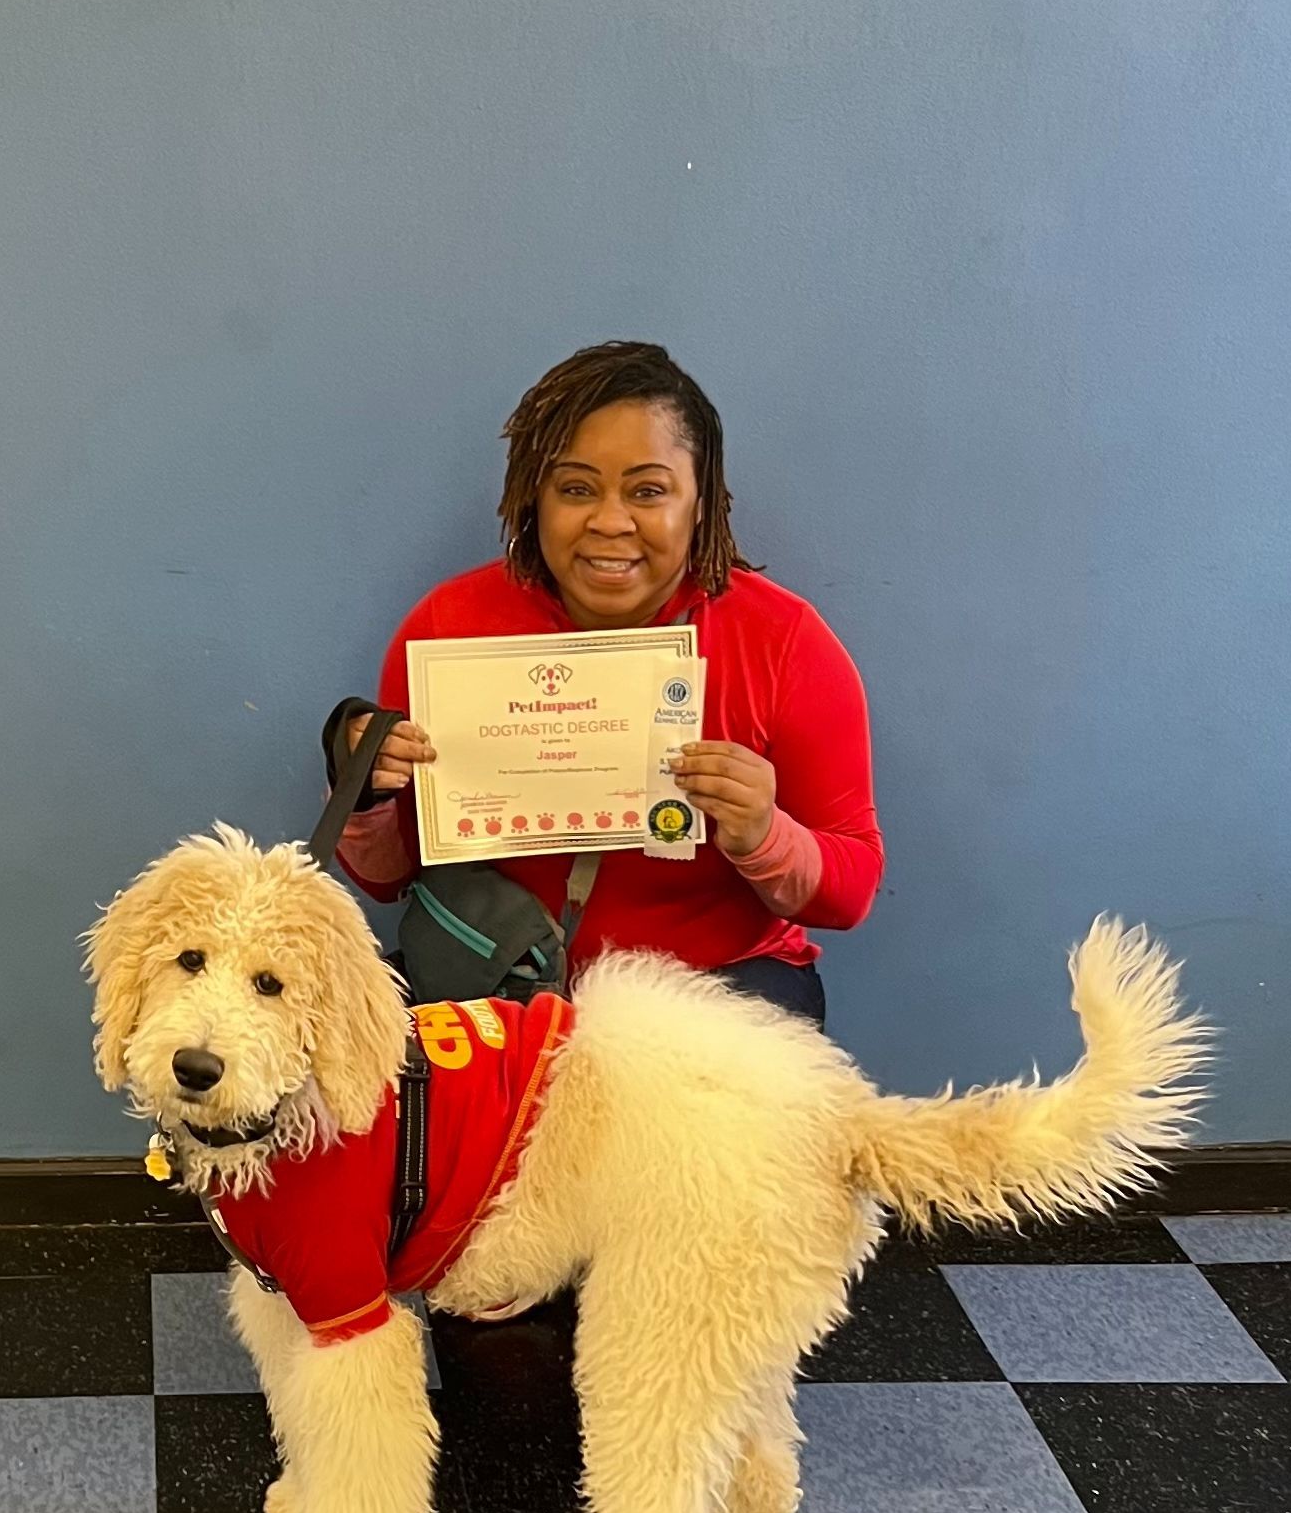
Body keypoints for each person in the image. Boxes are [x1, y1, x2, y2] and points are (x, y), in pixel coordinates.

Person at [329, 340, 882, 1027]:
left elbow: (850, 892)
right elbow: (388, 879)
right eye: (576, 489)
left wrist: (766, 835)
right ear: (534, 498)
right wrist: (365, 793)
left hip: (716, 990)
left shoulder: (784, 642)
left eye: (648, 491)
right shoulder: (447, 628)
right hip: (499, 977)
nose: (610, 522)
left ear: (701, 502)